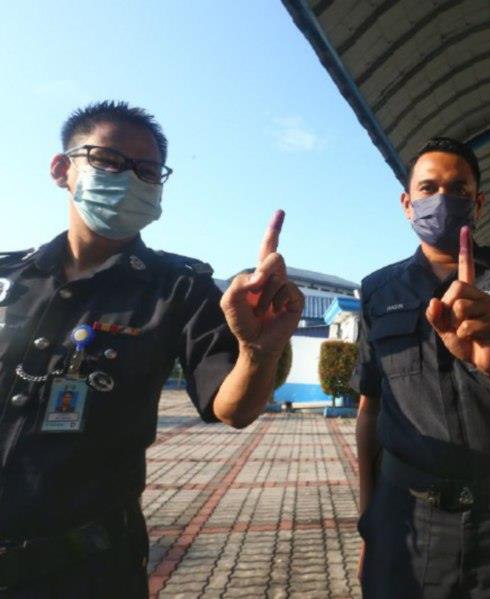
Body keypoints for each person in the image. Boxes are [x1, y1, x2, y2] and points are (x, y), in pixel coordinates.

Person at [0, 101, 303, 596]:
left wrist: (259, 350)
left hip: (87, 570)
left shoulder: (179, 289)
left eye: (147, 170)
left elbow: (234, 408)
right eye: (109, 161)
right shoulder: (9, 277)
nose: (130, 178)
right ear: (62, 169)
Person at [352, 137, 490, 598]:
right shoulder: (377, 289)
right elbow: (370, 409)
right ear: (406, 203)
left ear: (478, 203)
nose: (441, 200)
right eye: (428, 188)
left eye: (457, 190)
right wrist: (369, 519)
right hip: (404, 523)